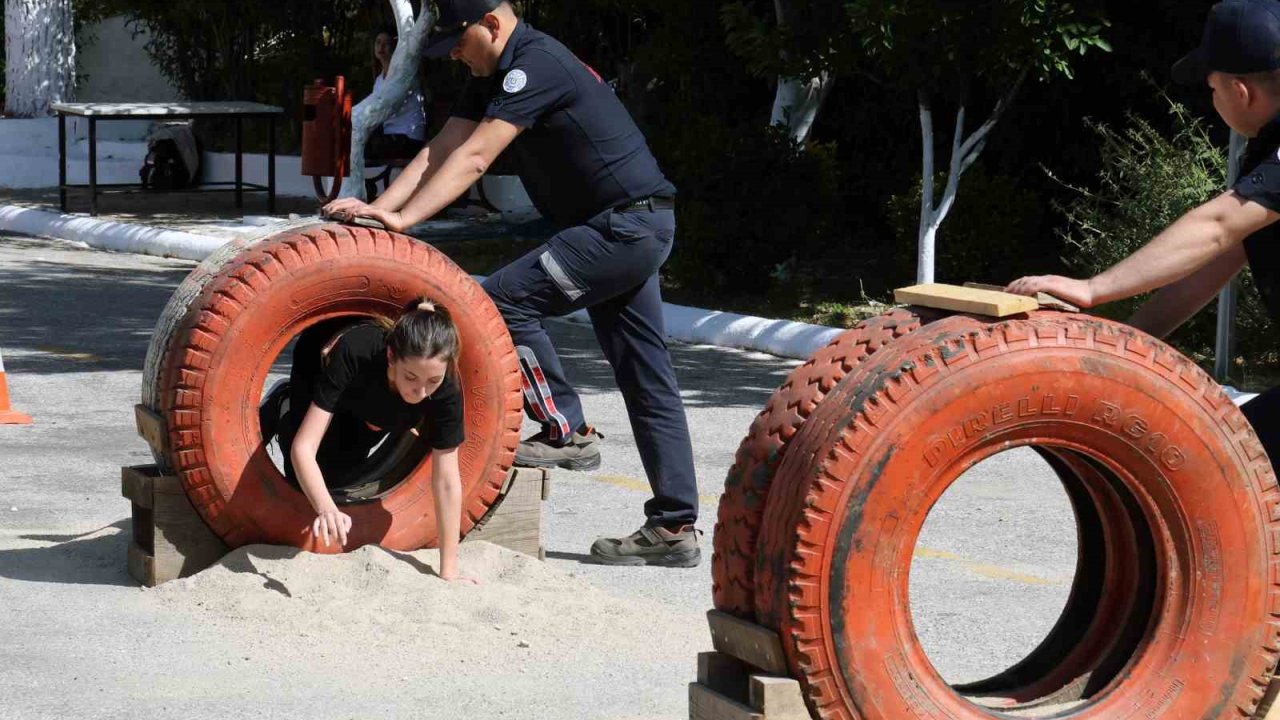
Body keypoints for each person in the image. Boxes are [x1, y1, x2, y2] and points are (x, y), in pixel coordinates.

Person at [321, 0, 702, 567]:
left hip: (623, 226)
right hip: (626, 227)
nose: (451, 52)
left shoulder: (535, 65)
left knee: (500, 301)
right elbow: (443, 149)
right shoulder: (491, 72)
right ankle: (675, 528)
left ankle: (564, 430)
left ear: (493, 24)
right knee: (647, 377)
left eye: (457, 38)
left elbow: (476, 158)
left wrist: (405, 221)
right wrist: (381, 210)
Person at [1006, 0, 1280, 472]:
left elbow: (1217, 226)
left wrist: (1094, 289)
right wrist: (1120, 350)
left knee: (1231, 476)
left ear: (1239, 90)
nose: (1211, 100)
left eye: (1211, 88)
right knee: (1231, 468)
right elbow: (1210, 264)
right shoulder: (1266, 158)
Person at [259, 299, 476, 583]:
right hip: (322, 368)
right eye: (411, 376)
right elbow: (304, 448)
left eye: (432, 380)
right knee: (304, 477)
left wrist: (448, 569)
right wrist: (326, 508)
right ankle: (284, 404)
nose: (421, 390)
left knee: (341, 471)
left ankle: (367, 425)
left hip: (375, 409)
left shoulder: (445, 389)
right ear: (390, 356)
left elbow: (447, 480)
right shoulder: (359, 350)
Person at [365, 27, 427, 166]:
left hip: (409, 139)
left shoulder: (404, 73)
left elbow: (384, 107)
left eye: (386, 43)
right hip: (390, 138)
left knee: (359, 144)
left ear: (395, 46)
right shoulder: (379, 79)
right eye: (378, 42)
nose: (381, 46)